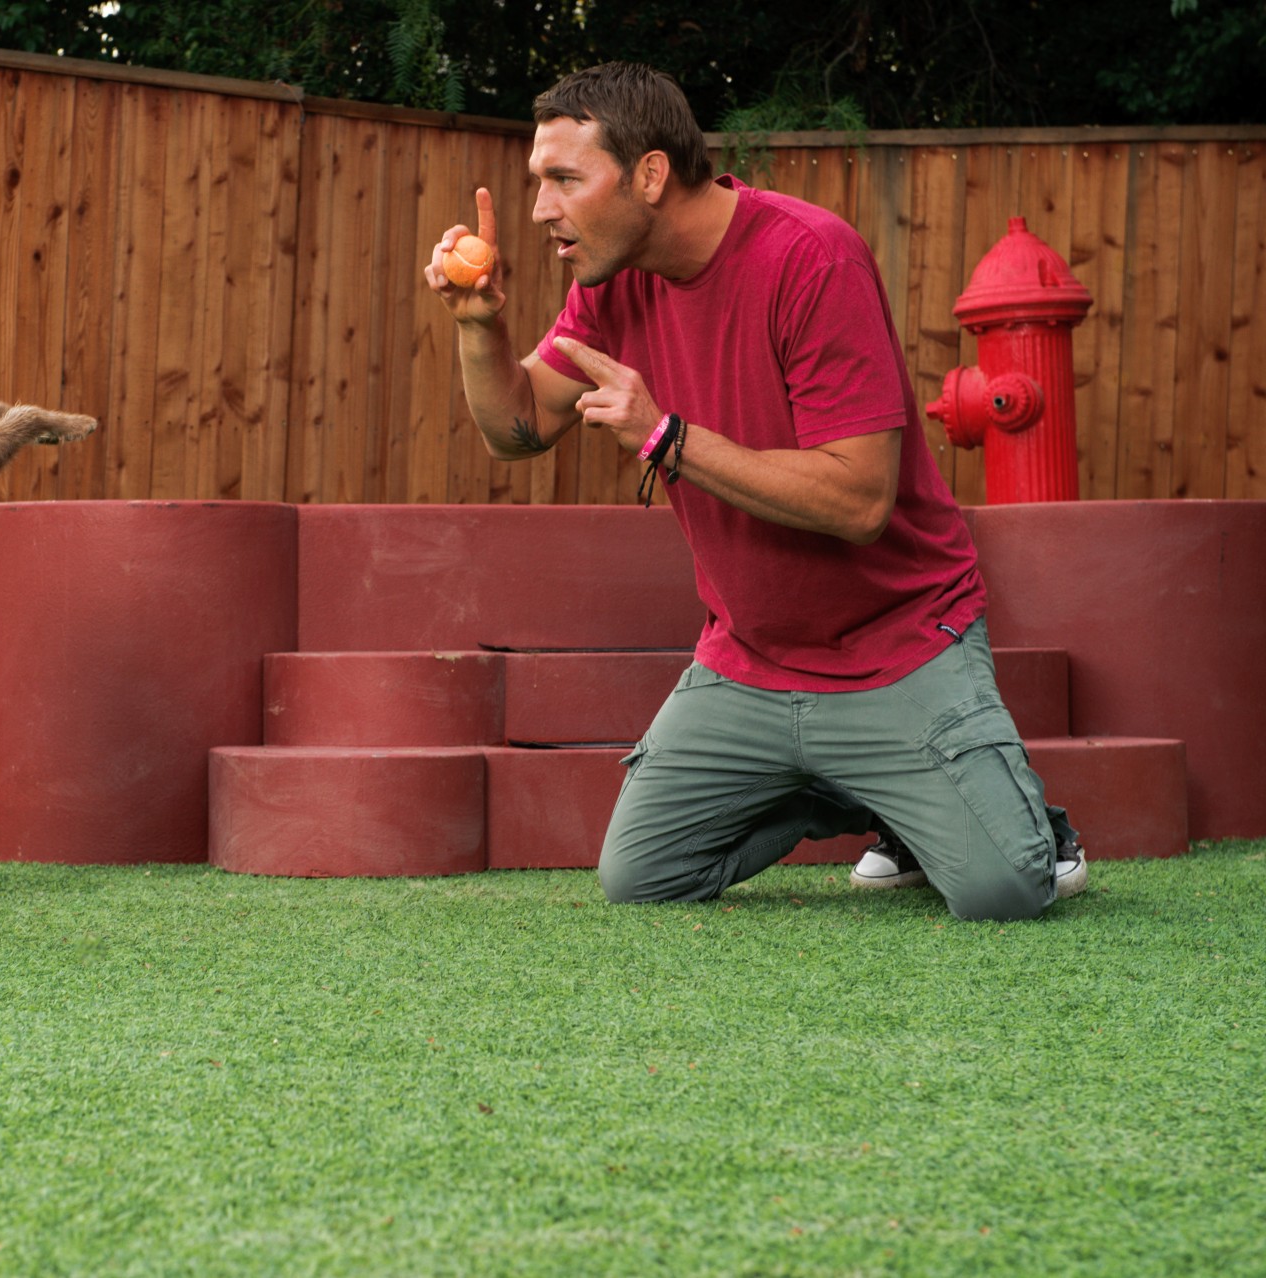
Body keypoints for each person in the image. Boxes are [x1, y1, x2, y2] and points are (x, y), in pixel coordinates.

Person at [423, 61, 1085, 921]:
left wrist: (668, 439)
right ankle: (880, 796)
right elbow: (514, 432)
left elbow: (858, 501)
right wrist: (481, 330)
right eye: (537, 183)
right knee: (641, 876)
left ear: (650, 173)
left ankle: (1016, 818)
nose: (542, 209)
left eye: (563, 180)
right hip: (750, 663)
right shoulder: (611, 282)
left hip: (901, 644)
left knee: (1004, 890)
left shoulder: (810, 255)